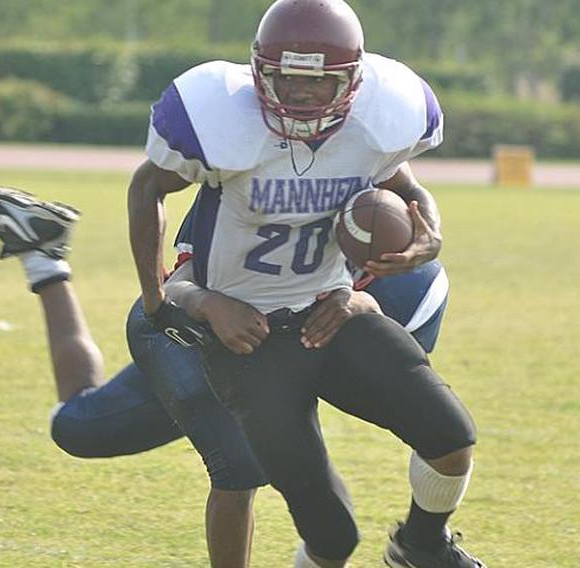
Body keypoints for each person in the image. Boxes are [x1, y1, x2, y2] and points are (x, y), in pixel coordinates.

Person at [128, 1, 486, 567]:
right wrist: (171, 300)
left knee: (452, 438)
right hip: (251, 343)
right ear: (259, 73)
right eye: (286, 78)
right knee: (332, 534)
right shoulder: (225, 128)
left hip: (334, 314)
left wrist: (429, 235)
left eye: (317, 81)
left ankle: (420, 545)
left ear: (352, 80)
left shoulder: (373, 126)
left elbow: (410, 188)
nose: (299, 94)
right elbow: (147, 187)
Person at [0, 182, 451, 568]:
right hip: (205, 330)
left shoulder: (405, 280)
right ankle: (44, 257)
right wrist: (212, 305)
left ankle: (425, 541)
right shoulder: (242, 177)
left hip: (304, 335)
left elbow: (424, 423)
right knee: (100, 432)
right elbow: (177, 283)